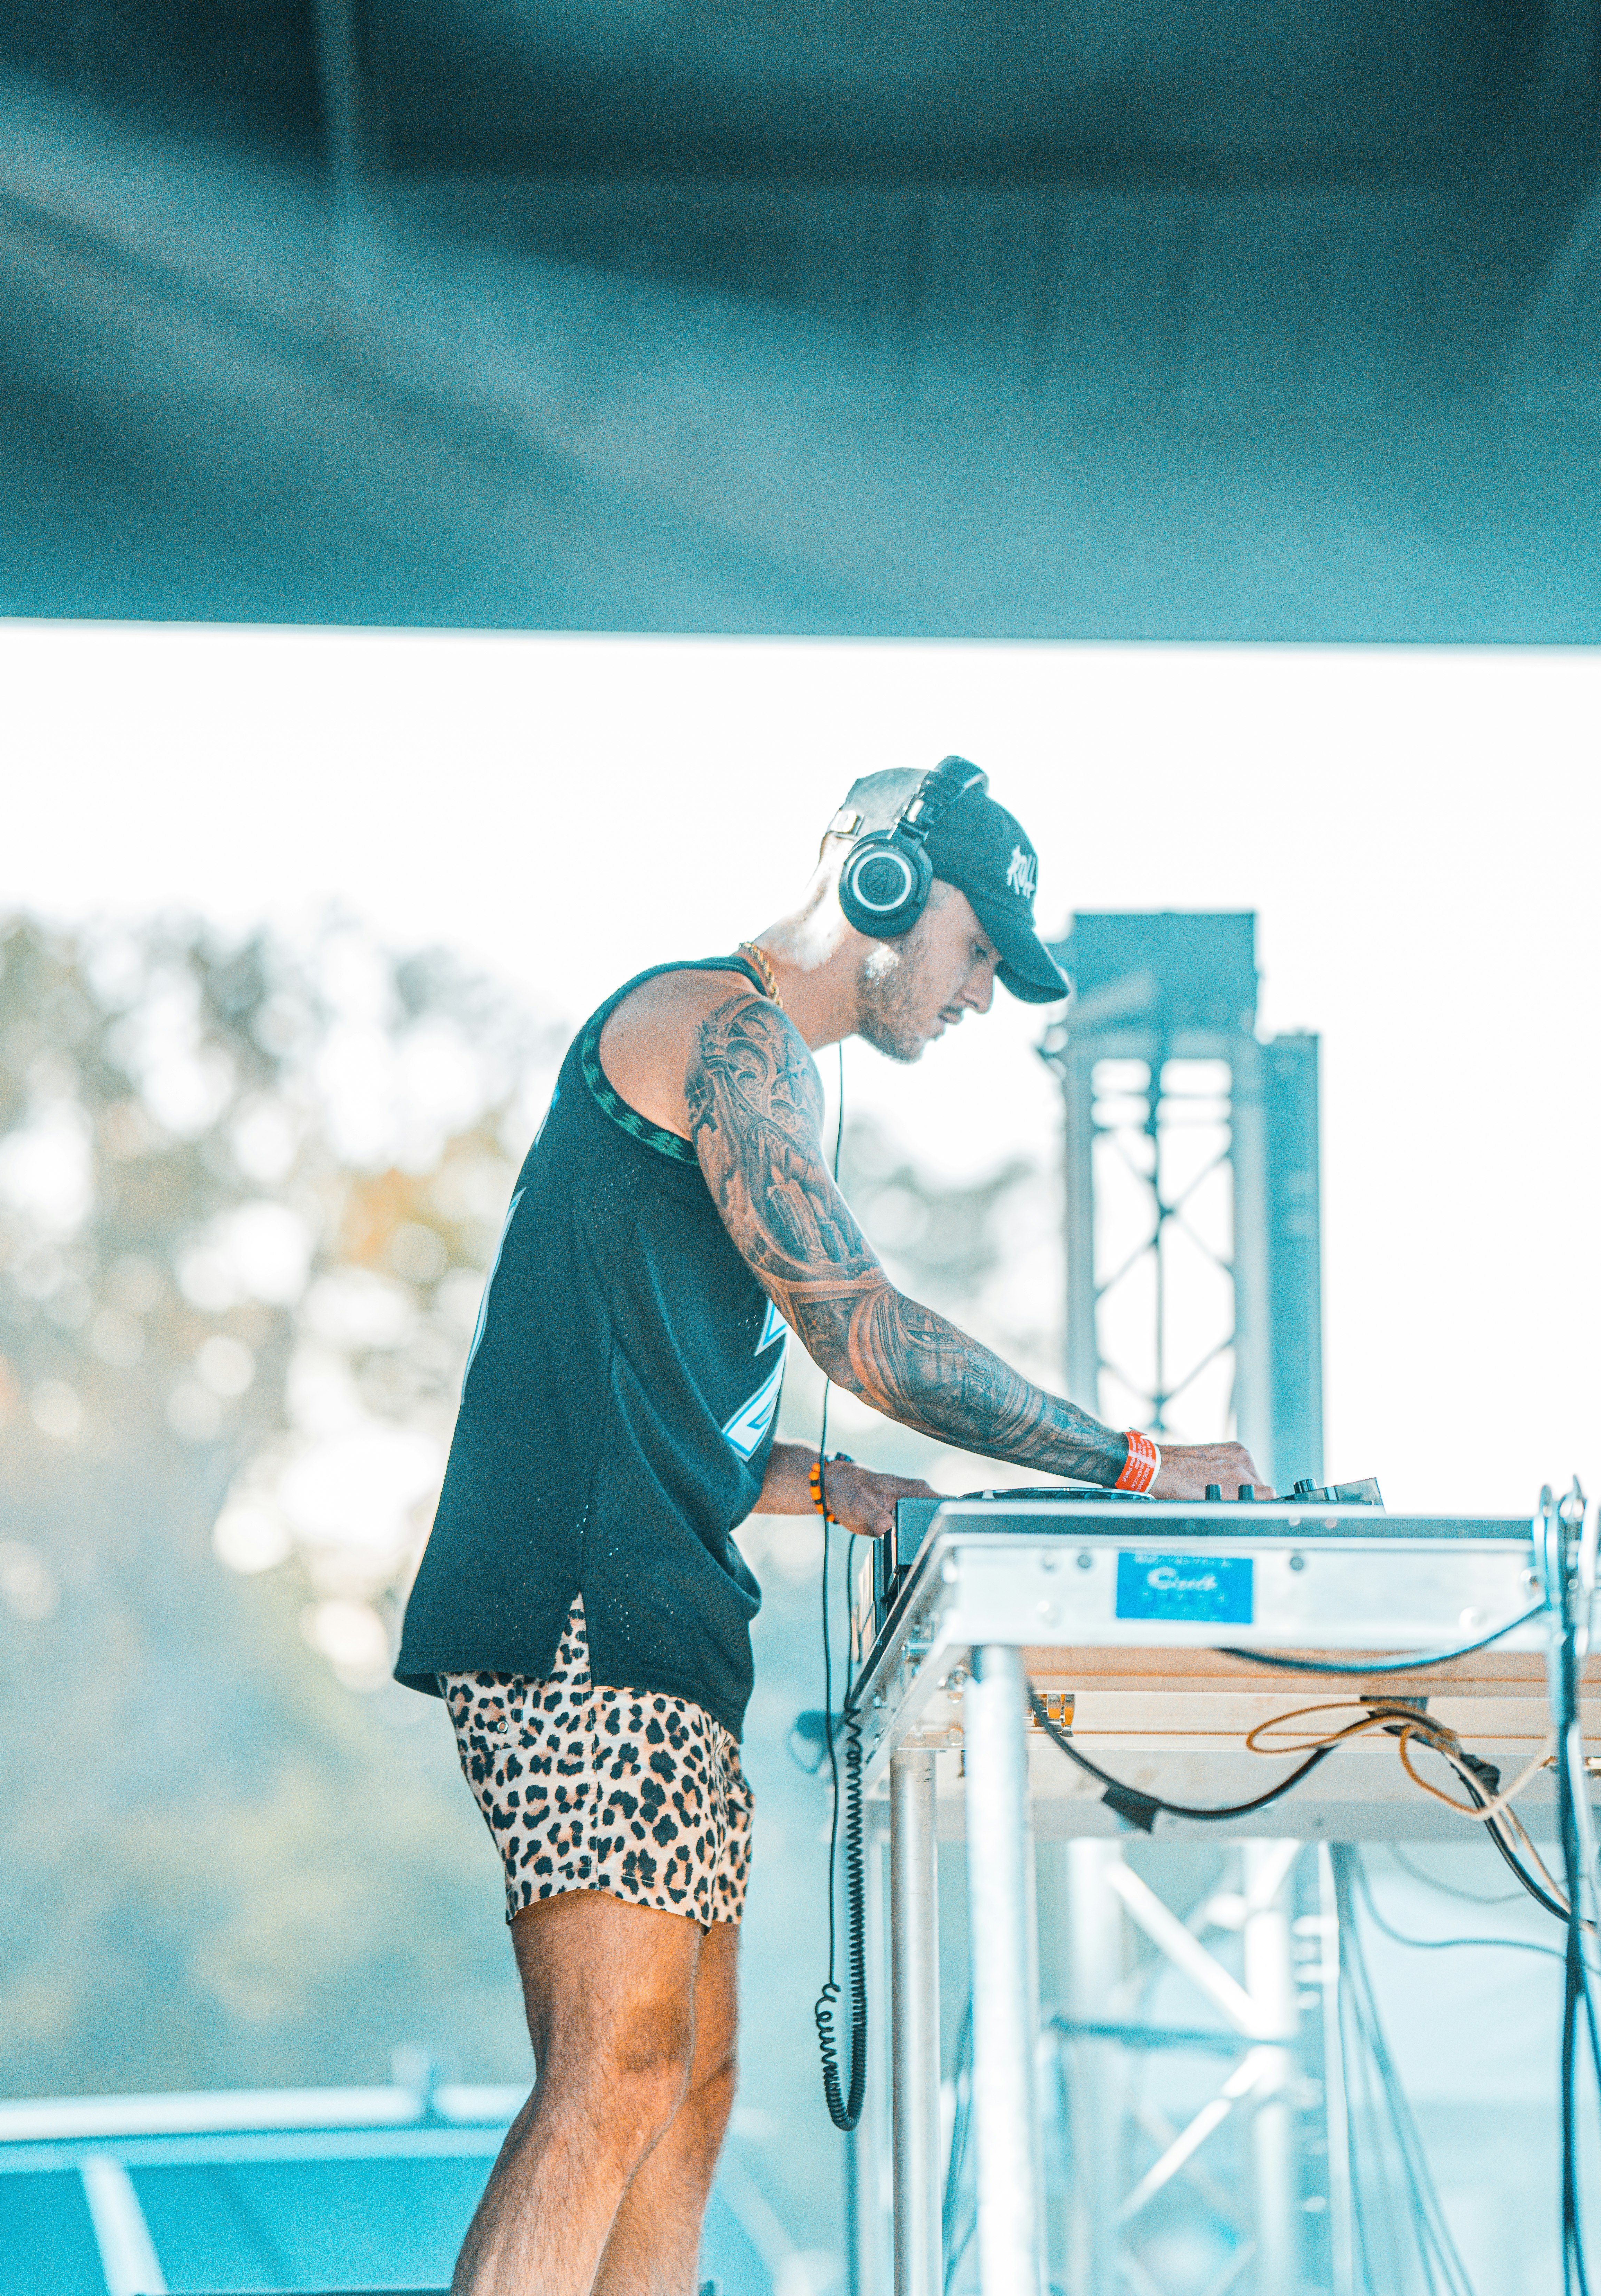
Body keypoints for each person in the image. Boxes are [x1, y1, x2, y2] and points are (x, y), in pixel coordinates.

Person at [393, 757, 1269, 2296]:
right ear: (880, 886)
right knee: (613, 2074)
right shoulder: (714, 1030)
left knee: (687, 2094)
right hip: (574, 1615)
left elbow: (638, 1384)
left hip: (653, 1617)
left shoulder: (767, 1070)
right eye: (978, 948)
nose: (983, 991)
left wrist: (828, 1482)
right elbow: (862, 1331)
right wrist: (1134, 1462)